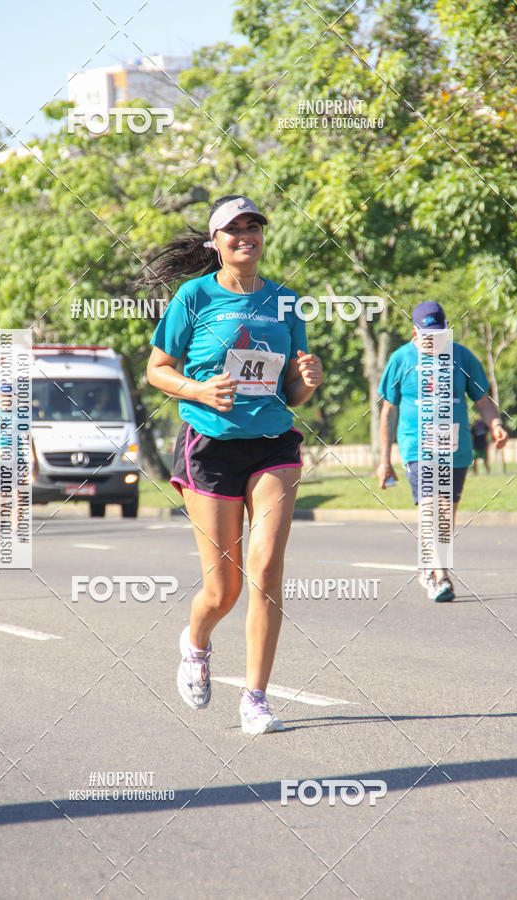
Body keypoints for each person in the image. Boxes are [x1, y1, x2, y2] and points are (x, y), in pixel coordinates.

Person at [145, 195, 323, 734]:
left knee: (266, 569)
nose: (246, 235)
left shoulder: (286, 301)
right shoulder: (194, 296)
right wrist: (199, 390)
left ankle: (256, 697)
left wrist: (308, 381)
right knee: (224, 589)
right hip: (211, 445)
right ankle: (196, 643)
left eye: (254, 226)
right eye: (234, 229)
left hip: (273, 444)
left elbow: (292, 392)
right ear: (216, 242)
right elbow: (158, 369)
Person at [378, 301, 507, 602]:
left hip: (455, 448)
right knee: (430, 507)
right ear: (414, 332)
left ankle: (430, 567)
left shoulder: (462, 356)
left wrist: (496, 425)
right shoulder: (401, 360)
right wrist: (385, 461)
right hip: (417, 447)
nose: (434, 341)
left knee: (445, 515)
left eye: (439, 334)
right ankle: (442, 577)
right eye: (428, 336)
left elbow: (483, 401)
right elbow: (388, 411)